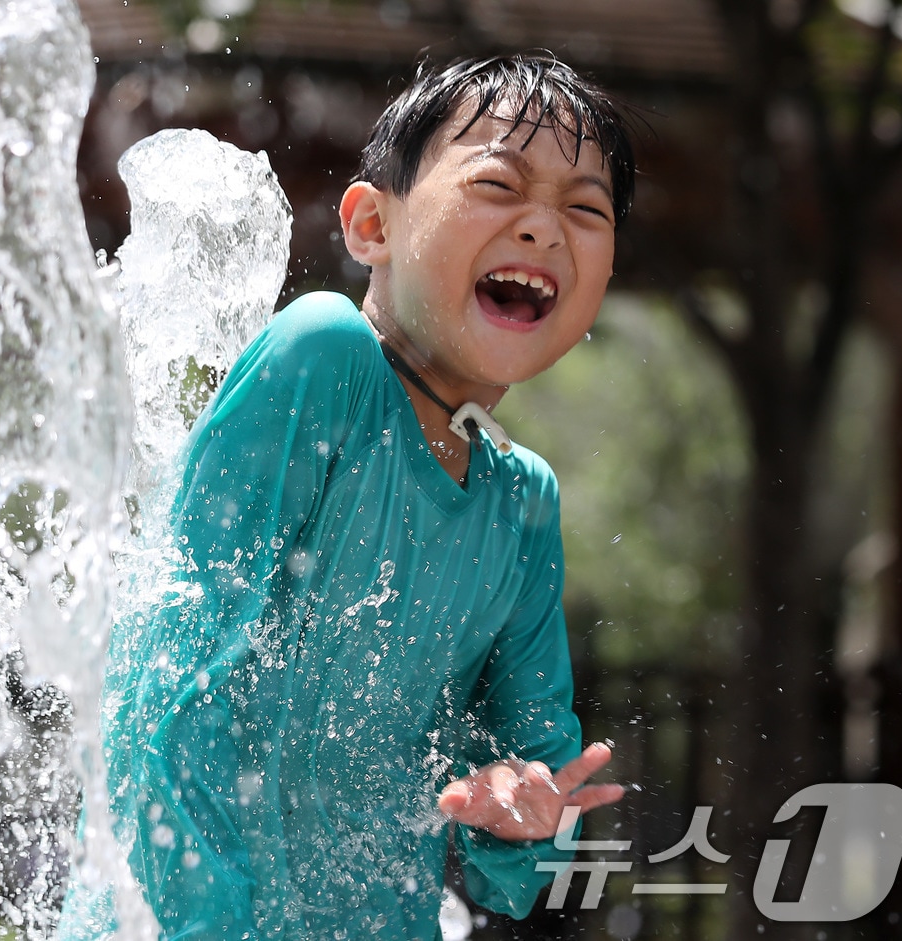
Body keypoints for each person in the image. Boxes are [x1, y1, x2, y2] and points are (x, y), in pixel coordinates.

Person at [72, 53, 635, 939]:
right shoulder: (323, 356)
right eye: (498, 185)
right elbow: (166, 688)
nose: (543, 229)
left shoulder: (521, 501)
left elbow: (529, 818)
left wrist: (520, 813)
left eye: (586, 209)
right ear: (373, 224)